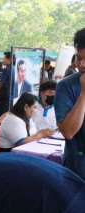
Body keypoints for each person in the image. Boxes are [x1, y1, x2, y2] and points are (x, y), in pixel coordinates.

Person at [55, 27, 85, 180]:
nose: (82, 64)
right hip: (77, 171)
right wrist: (83, 95)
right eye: (79, 58)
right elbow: (68, 132)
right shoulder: (66, 86)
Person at [0, 52, 16, 117]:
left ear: (9, 59)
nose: (3, 60)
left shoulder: (6, 70)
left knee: (2, 116)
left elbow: (1, 83)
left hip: (6, 97)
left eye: (4, 58)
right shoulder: (14, 69)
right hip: (12, 97)